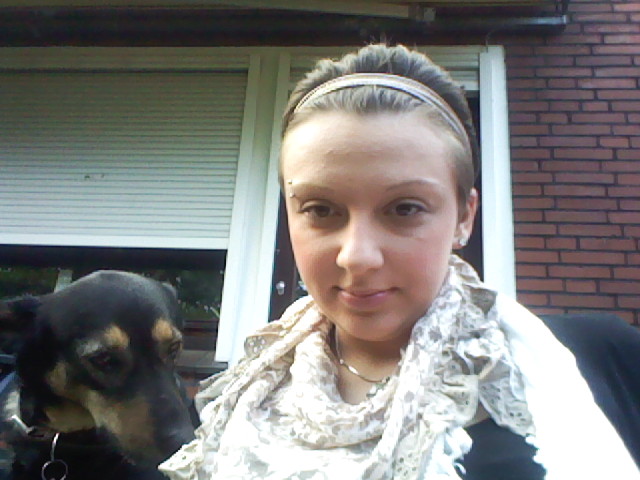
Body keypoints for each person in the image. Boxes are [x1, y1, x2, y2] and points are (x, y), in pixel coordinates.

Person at [159, 44, 639, 479]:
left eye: (405, 208)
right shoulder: (232, 405)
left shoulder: (603, 361)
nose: (357, 256)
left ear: (464, 218)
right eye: (321, 210)